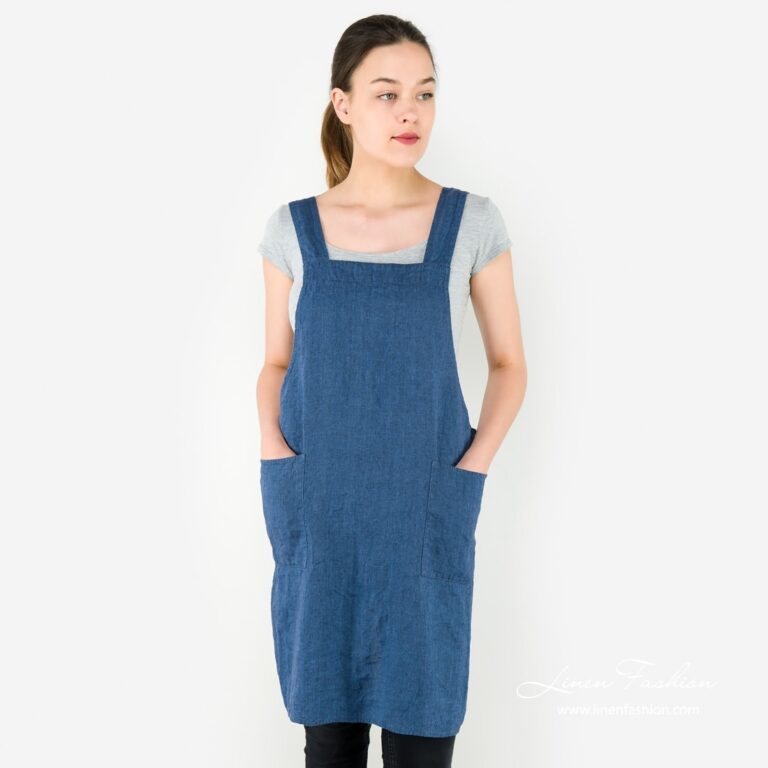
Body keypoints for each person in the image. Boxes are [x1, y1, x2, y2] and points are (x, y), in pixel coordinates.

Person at [256, 14, 527, 768]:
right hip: (321, 506)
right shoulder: (291, 229)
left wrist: (470, 467)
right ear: (343, 104)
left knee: (423, 727)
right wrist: (273, 446)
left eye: (424, 94)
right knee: (328, 739)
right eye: (387, 93)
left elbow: (510, 363)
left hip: (424, 505)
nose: (410, 112)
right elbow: (275, 362)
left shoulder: (472, 222)